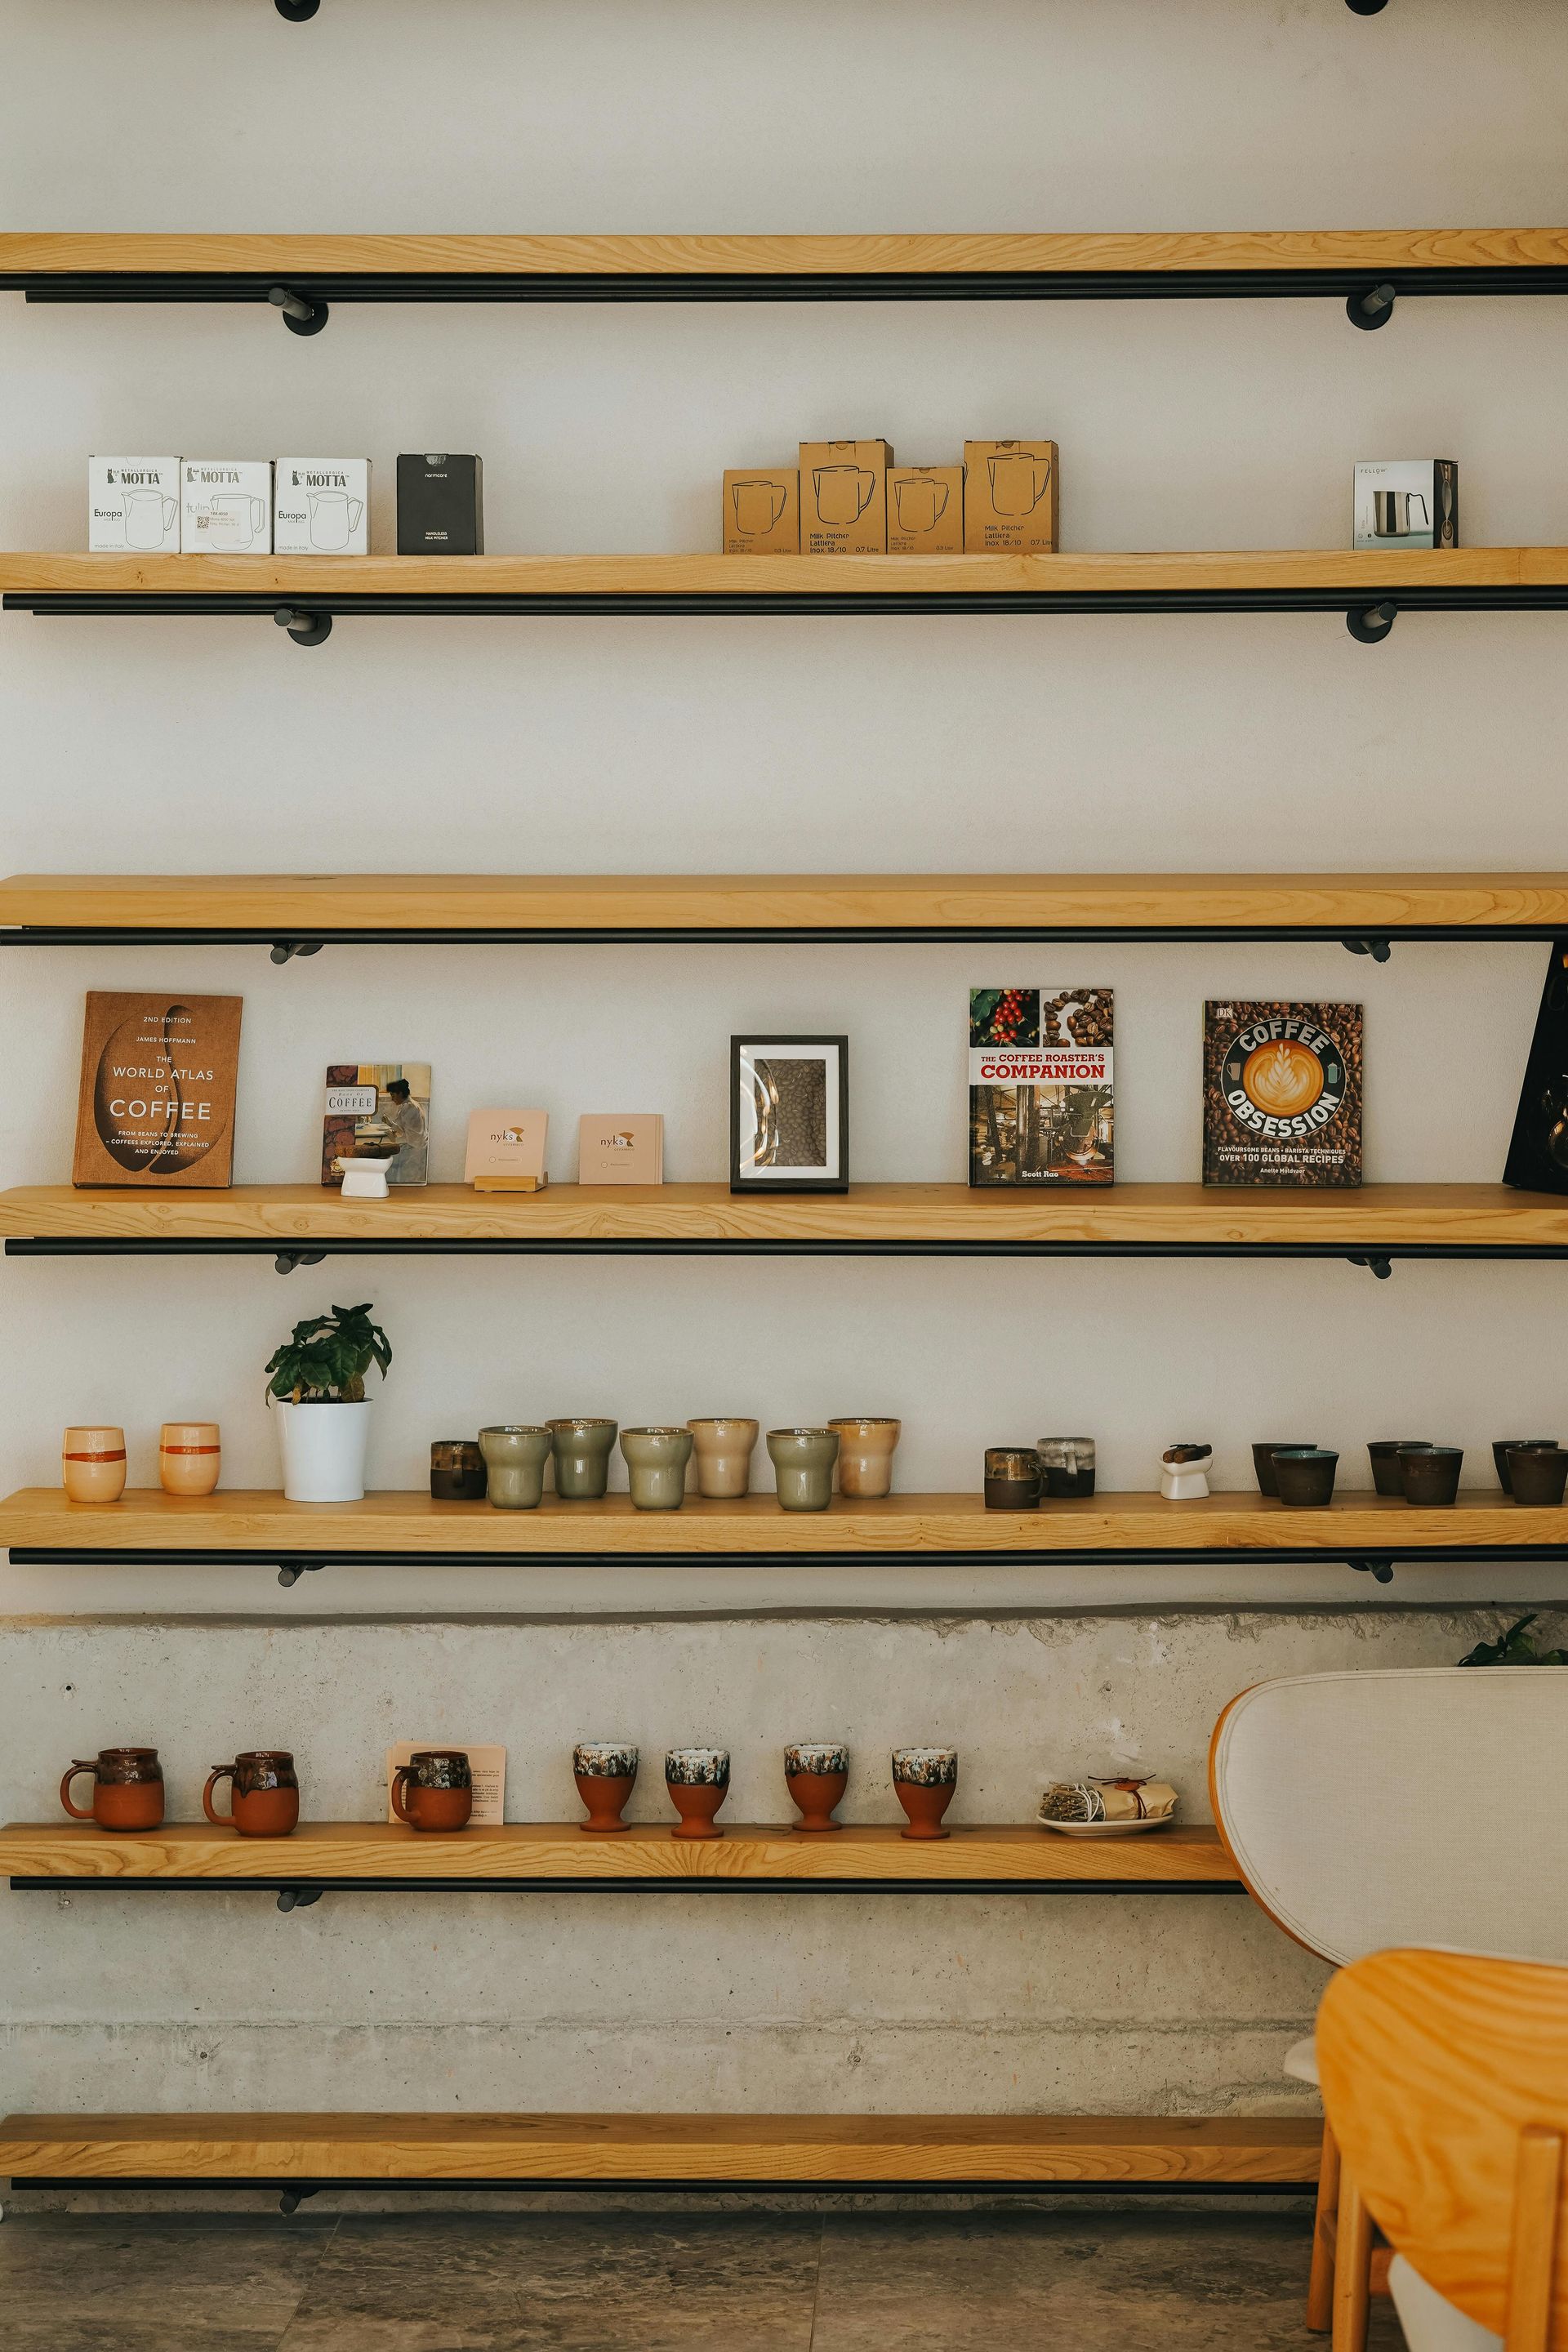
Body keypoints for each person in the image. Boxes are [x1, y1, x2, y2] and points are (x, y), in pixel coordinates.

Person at [381, 1076, 428, 1186]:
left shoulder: (409, 1107)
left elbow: (403, 1133)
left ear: (400, 1093)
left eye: (393, 1095)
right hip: (415, 1145)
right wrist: (389, 1123)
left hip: (414, 1148)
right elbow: (402, 1128)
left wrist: (392, 1135)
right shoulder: (411, 1105)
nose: (392, 1099)